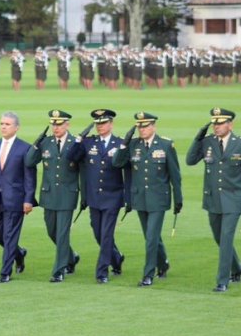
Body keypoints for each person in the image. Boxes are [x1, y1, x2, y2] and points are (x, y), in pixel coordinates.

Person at [186, 107, 241, 292]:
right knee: (219, 238)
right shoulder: (207, 142)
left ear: (229, 124)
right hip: (213, 200)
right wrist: (198, 138)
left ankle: (222, 281)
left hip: (233, 199)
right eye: (214, 123)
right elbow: (190, 160)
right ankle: (237, 267)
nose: (216, 126)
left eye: (220, 123)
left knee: (226, 238)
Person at [112, 112, 182, 287]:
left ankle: (148, 274)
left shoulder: (165, 145)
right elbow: (117, 163)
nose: (142, 130)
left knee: (151, 237)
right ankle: (163, 263)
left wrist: (178, 198)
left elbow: (175, 174)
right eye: (139, 126)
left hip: (158, 199)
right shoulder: (133, 144)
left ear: (153, 126)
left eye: (145, 126)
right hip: (140, 198)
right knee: (151, 236)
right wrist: (124, 144)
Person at [67, 109, 131, 283]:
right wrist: (78, 139)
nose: (100, 126)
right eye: (97, 124)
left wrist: (128, 197)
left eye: (103, 123)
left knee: (106, 235)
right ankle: (116, 258)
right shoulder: (88, 143)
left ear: (111, 123)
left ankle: (101, 271)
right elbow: (71, 157)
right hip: (94, 197)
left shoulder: (120, 144)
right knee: (97, 233)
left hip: (113, 196)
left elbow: (127, 171)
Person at [0, 111, 37, 283]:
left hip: (16, 200)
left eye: (7, 124)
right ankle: (19, 253)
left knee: (10, 235)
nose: (3, 126)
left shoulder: (25, 148)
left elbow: (29, 177)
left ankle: (5, 273)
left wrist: (28, 199)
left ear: (16, 127)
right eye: (1, 123)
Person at [25, 110, 80, 283]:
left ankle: (59, 270)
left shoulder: (75, 143)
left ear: (67, 124)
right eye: (53, 124)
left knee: (62, 233)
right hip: (49, 194)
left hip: (67, 194)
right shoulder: (46, 142)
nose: (55, 128)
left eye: (59, 124)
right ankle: (71, 257)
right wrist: (36, 143)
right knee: (52, 231)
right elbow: (29, 161)